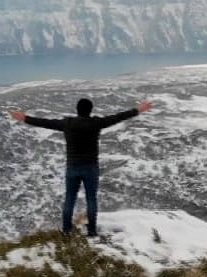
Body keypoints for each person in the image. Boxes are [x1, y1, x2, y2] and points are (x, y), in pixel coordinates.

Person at [9, 98, 153, 237]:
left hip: (72, 168)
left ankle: (66, 231)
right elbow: (118, 117)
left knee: (70, 199)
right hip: (91, 168)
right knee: (91, 199)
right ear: (91, 110)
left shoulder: (68, 123)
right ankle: (92, 231)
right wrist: (138, 110)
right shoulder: (96, 123)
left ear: (77, 110)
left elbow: (45, 123)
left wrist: (25, 118)